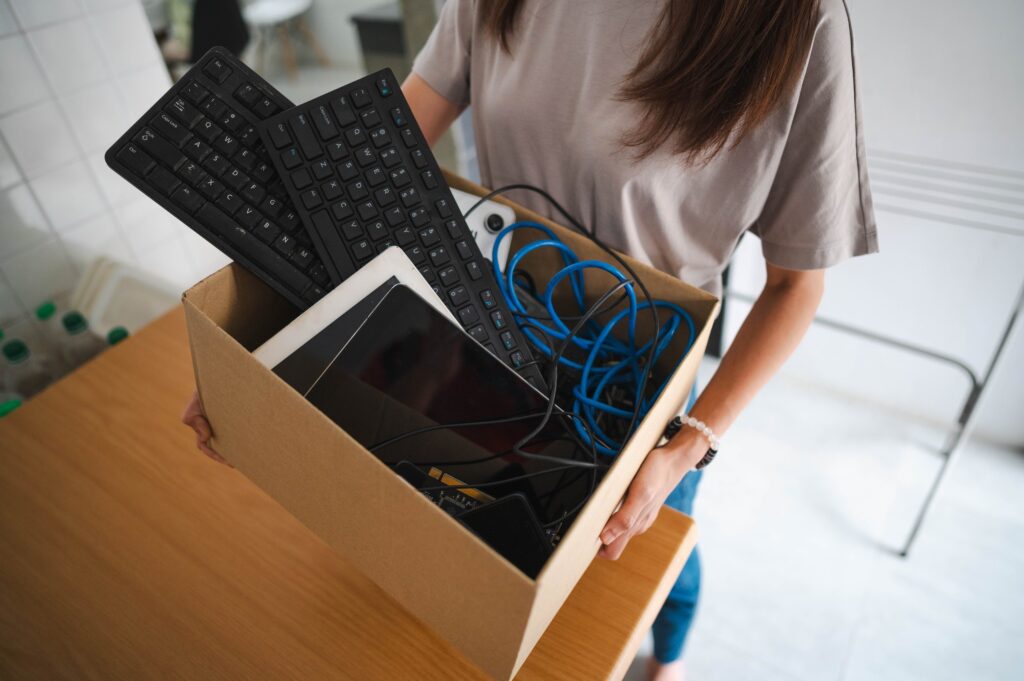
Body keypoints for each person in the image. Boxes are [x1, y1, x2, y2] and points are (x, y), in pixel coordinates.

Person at [184, 1, 877, 678]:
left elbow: (795, 286)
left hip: (644, 383)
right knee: (483, 528)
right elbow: (394, 140)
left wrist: (688, 446)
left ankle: (670, 654)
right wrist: (260, 347)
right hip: (483, 329)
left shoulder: (799, 24)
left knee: (657, 555)